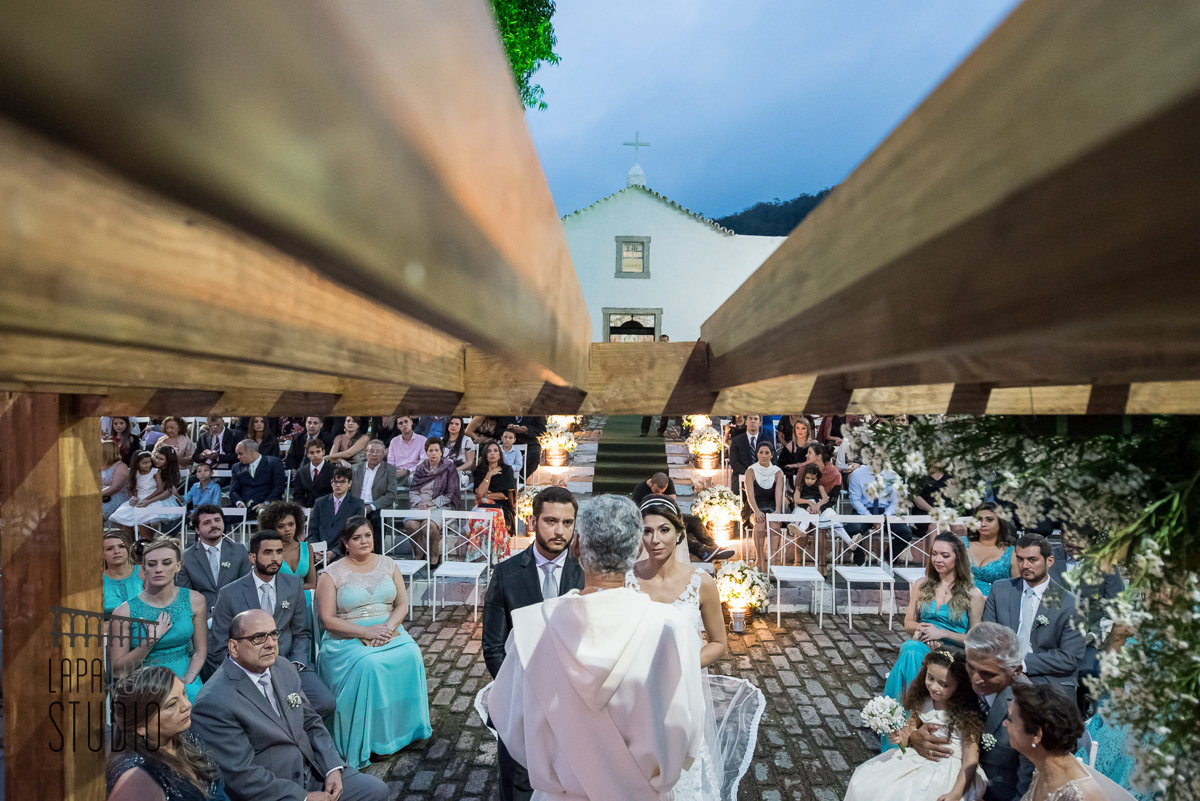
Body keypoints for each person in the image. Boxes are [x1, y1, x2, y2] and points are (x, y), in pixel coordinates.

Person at [488, 494, 706, 801]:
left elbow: (511, 723)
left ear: (576, 546)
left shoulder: (535, 628)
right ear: (638, 548)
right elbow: (689, 729)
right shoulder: (673, 629)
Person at [628, 494, 764, 801]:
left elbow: (718, 643)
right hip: (636, 695)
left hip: (683, 692)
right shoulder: (628, 580)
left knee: (683, 771)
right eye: (647, 531)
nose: (655, 539)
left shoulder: (701, 583)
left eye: (663, 530)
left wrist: (680, 666)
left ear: (678, 533)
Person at [192, 609, 389, 801]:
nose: (270, 644)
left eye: (274, 634)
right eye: (259, 638)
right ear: (234, 647)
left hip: (315, 771)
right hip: (274, 790)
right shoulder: (213, 702)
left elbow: (311, 721)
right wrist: (303, 797)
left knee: (375, 790)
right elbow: (242, 776)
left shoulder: (283, 666)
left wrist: (332, 767)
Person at [483, 487, 585, 801]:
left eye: (568, 523)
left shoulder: (587, 573)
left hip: (577, 703)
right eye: (551, 521)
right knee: (518, 787)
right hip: (520, 701)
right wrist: (523, 692)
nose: (560, 531)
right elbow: (493, 647)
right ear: (533, 521)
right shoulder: (507, 574)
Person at [316, 517, 432, 769]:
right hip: (346, 636)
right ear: (346, 543)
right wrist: (366, 633)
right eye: (356, 538)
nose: (364, 541)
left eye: (367, 535)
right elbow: (327, 620)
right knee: (369, 665)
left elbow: (402, 604)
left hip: (387, 629)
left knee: (412, 653)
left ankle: (403, 732)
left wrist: (388, 629)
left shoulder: (388, 564)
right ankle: (373, 741)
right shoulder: (331, 573)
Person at [206, 530, 335, 716]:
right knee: (263, 714)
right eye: (268, 553)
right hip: (249, 670)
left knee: (325, 703)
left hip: (289, 663)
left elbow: (301, 633)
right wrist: (247, 671)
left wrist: (297, 663)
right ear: (252, 557)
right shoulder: (230, 593)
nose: (275, 558)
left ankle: (298, 739)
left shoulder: (293, 585)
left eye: (279, 552)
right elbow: (219, 646)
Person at [883, 533, 985, 747]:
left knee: (910, 650)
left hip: (953, 651)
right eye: (934, 554)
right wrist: (922, 630)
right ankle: (906, 728)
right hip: (921, 643)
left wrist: (943, 633)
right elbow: (909, 623)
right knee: (911, 648)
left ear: (958, 558)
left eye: (945, 555)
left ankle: (902, 726)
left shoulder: (972, 594)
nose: (938, 560)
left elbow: (973, 639)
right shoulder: (922, 585)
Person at [911, 623, 1033, 801]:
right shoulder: (960, 682)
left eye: (988, 673)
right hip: (944, 774)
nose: (975, 679)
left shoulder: (1028, 711)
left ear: (1015, 671)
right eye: (971, 667)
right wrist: (915, 737)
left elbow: (1028, 787)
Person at [847, 649, 988, 801]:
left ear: (960, 686)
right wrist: (897, 736)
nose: (934, 687)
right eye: (930, 678)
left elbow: (970, 760)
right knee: (867, 782)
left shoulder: (965, 715)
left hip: (952, 772)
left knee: (914, 794)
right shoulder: (925, 701)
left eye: (944, 685)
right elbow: (907, 733)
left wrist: (955, 794)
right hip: (919, 759)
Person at [982, 535, 1085, 699]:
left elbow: (1069, 658)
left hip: (1050, 677)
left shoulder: (1071, 604)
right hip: (1003, 672)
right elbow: (987, 637)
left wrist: (1021, 664)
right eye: (1020, 559)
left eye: (1032, 560)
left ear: (1049, 561)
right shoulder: (1000, 589)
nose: (1025, 565)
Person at [106, 666, 224, 801]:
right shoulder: (136, 780)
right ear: (140, 725)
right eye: (172, 704)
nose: (187, 705)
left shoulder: (186, 735)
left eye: (184, 693)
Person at [110, 538, 206, 702]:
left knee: (199, 701)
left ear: (178, 566)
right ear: (144, 568)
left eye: (167, 563)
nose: (159, 569)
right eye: (152, 564)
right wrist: (149, 641)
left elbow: (200, 651)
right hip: (145, 686)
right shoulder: (124, 612)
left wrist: (189, 678)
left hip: (187, 681)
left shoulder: (196, 600)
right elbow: (118, 671)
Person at [1006, 685, 1106, 801]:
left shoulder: (1081, 795)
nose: (1005, 723)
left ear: (1037, 735)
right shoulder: (1042, 767)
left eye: (1010, 719)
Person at [176, 504, 252, 622]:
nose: (214, 525)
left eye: (217, 520)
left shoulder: (239, 551)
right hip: (200, 620)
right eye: (207, 523)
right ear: (197, 530)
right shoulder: (185, 557)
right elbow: (185, 597)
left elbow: (246, 589)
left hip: (235, 619)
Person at [845, 461, 912, 564]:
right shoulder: (857, 474)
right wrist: (871, 518)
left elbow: (895, 501)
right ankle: (860, 558)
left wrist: (884, 517)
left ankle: (887, 559)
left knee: (905, 533)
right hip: (863, 510)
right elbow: (855, 500)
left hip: (885, 510)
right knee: (851, 530)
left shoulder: (893, 475)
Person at [408, 438, 460, 568]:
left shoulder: (449, 467)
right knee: (410, 524)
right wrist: (420, 503)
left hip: (442, 505)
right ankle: (419, 551)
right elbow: (413, 491)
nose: (433, 453)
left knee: (429, 524)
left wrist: (433, 503)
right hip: (420, 506)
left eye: (437, 450)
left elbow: (451, 492)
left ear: (441, 452)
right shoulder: (420, 468)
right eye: (430, 450)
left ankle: (434, 555)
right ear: (426, 452)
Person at [109, 450, 184, 537]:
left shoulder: (156, 471)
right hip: (141, 497)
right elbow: (131, 488)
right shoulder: (135, 472)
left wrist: (147, 500)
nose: (156, 461)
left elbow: (163, 491)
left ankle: (146, 540)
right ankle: (131, 542)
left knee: (143, 515)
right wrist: (133, 497)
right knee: (121, 515)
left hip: (156, 498)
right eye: (156, 457)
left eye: (161, 459)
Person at [744, 441, 784, 573]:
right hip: (754, 507)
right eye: (761, 452)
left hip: (772, 506)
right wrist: (756, 511)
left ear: (772, 455)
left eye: (767, 452)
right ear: (757, 454)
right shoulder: (750, 471)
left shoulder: (777, 472)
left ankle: (773, 560)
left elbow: (778, 493)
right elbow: (750, 495)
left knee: (775, 524)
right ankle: (759, 559)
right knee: (760, 522)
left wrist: (778, 511)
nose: (764, 455)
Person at [472, 440, 516, 561]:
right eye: (489, 451)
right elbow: (479, 493)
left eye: (496, 450)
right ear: (485, 454)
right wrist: (489, 475)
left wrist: (488, 495)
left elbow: (505, 495)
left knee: (494, 516)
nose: (492, 453)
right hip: (482, 505)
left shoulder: (506, 470)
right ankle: (480, 555)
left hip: (501, 506)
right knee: (480, 515)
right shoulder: (479, 470)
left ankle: (494, 556)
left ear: (500, 454)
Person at [258, 501, 317, 589]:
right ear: (272, 529)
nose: (288, 529)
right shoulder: (267, 551)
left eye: (291, 524)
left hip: (305, 599)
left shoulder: (307, 548)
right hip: (278, 599)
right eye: (281, 526)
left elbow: (312, 584)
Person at [309, 466, 366, 552]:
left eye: (342, 482)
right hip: (318, 553)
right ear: (331, 482)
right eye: (335, 481)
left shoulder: (357, 505)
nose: (338, 485)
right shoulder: (320, 503)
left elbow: (354, 535)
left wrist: (335, 552)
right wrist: (316, 550)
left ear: (350, 483)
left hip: (343, 553)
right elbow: (312, 531)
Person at [967, 503, 1019, 596]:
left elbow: (1017, 590)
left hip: (996, 605)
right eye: (979, 519)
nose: (983, 524)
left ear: (1001, 522)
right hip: (961, 602)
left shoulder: (1012, 553)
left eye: (989, 520)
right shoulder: (962, 545)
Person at [351, 439, 398, 535]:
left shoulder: (390, 470)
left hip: (377, 507)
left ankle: (377, 550)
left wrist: (372, 506)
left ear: (383, 454)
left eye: (378, 452)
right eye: (371, 451)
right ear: (366, 453)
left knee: (377, 519)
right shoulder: (355, 468)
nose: (374, 454)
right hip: (356, 506)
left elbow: (391, 494)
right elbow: (348, 490)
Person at [229, 439, 285, 514]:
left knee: (268, 515)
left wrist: (266, 503)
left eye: (240, 454)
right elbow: (233, 490)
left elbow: (279, 487)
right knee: (220, 515)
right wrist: (238, 502)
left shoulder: (273, 463)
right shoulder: (236, 467)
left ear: (251, 452)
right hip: (244, 507)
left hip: (267, 506)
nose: (238, 457)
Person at [728, 414, 764, 504]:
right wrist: (750, 475)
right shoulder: (736, 441)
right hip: (742, 475)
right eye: (750, 419)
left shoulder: (766, 439)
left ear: (760, 423)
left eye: (756, 419)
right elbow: (734, 463)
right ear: (746, 421)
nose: (753, 421)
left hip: (762, 476)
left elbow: (773, 460)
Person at [104, 530, 142, 615]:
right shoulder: (96, 580)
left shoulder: (144, 572)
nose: (116, 551)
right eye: (109, 548)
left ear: (129, 549)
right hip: (108, 626)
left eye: (122, 546)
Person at [386, 415, 426, 487]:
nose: (404, 425)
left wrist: (407, 471)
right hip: (397, 473)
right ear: (398, 426)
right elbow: (390, 462)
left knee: (414, 478)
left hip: (413, 473)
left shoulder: (422, 440)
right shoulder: (394, 441)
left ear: (411, 422)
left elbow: (423, 462)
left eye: (406, 422)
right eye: (400, 423)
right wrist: (395, 471)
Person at [293, 438, 334, 508]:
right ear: (308, 454)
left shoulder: (333, 470)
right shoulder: (301, 472)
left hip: (327, 508)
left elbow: (335, 494)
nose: (315, 455)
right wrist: (304, 508)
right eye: (312, 453)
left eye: (318, 452)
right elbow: (298, 495)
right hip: (306, 508)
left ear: (323, 452)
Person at [101, 439, 131, 520]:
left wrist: (96, 495)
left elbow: (116, 487)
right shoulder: (98, 465)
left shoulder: (120, 466)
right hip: (99, 496)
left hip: (114, 497)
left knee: (94, 512)